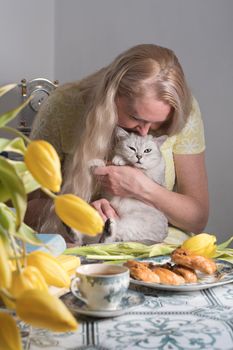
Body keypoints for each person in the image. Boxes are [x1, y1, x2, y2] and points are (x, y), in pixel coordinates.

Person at [26, 44, 209, 245]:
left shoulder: (184, 112)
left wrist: (141, 187)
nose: (145, 131)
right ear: (110, 98)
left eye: (159, 123)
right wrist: (80, 211)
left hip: (157, 249)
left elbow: (197, 220)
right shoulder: (63, 107)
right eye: (135, 117)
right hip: (81, 243)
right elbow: (26, 208)